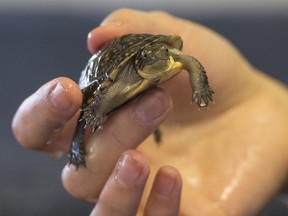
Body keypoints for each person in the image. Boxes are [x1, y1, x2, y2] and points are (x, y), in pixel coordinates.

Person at [12, 9, 288, 216]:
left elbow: (188, 61)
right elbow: (101, 95)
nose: (161, 57)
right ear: (141, 60)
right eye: (151, 56)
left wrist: (200, 87)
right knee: (86, 113)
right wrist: (97, 112)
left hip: (141, 92)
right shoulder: (121, 74)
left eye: (162, 53)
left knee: (143, 108)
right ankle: (77, 149)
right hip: (110, 86)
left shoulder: (168, 56)